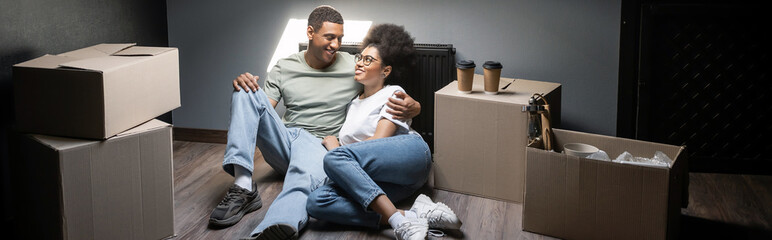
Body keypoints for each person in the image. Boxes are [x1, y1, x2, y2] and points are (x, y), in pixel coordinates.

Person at [207, 6, 422, 240]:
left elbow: (381, 85)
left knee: (304, 169)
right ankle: (243, 185)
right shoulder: (284, 66)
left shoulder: (354, 66)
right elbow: (261, 112)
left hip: (319, 147)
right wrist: (245, 88)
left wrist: (416, 107)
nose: (336, 45)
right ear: (310, 32)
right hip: (285, 141)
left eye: (340, 38)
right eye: (329, 37)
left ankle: (280, 223)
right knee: (245, 90)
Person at [305, 24, 462, 240]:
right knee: (317, 201)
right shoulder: (352, 105)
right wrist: (343, 159)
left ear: (385, 71)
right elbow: (356, 158)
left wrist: (336, 148)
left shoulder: (393, 93)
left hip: (411, 155)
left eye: (368, 60)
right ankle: (414, 214)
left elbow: (379, 141)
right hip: (388, 182)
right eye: (359, 57)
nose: (359, 62)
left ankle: (399, 225)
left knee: (333, 158)